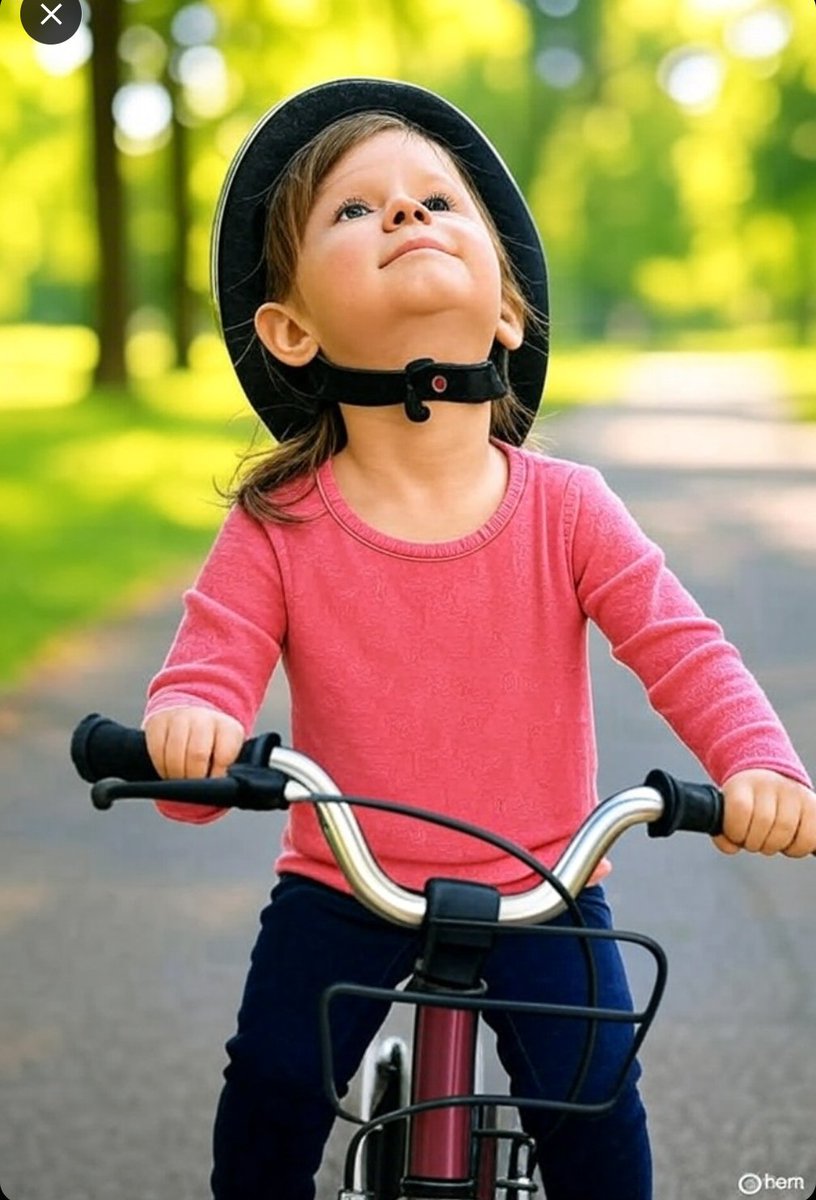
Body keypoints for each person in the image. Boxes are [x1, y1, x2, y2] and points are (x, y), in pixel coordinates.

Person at [141, 78, 815, 1200]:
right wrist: (194, 728)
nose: (404, 215)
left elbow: (683, 647)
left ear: (505, 309)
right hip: (342, 882)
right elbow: (209, 665)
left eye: (436, 202)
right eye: (354, 211)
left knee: (600, 1126)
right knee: (264, 1100)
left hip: (546, 877)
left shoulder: (568, 506)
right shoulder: (279, 520)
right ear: (292, 329)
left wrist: (760, 765)